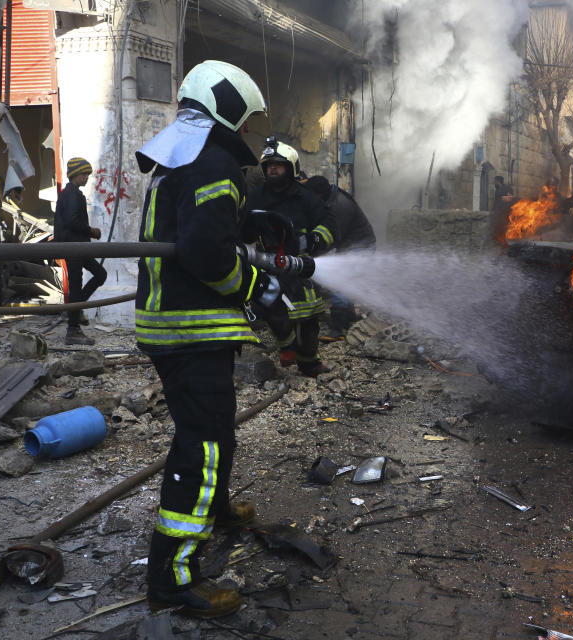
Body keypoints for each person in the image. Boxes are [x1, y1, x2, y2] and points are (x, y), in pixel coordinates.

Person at [133, 60, 293, 618]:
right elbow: (205, 254)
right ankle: (173, 577)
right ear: (227, 109)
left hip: (176, 326)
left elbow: (199, 236)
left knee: (214, 432)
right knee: (201, 446)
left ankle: (216, 509)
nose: (246, 135)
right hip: (192, 330)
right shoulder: (213, 161)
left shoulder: (182, 156)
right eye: (245, 122)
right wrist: (257, 286)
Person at [248, 139, 336, 375]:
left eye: (278, 165)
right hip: (268, 264)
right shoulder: (256, 197)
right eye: (269, 166)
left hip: (301, 266)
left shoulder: (306, 198)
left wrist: (315, 240)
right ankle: (286, 346)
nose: (273, 169)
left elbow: (328, 225)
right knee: (273, 310)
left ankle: (309, 362)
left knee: (309, 319)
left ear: (291, 168)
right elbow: (243, 226)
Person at [302, 175, 375, 340]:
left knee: (339, 281)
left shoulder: (339, 206)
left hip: (361, 247)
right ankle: (349, 317)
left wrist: (310, 257)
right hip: (349, 245)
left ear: (318, 194)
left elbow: (332, 238)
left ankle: (338, 328)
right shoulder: (329, 198)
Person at [54, 157, 106, 345]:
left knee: (100, 274)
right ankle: (73, 330)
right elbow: (71, 222)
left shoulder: (72, 193)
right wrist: (91, 231)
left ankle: (76, 310)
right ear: (75, 174)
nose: (87, 178)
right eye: (84, 174)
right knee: (77, 285)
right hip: (73, 247)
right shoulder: (72, 195)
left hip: (78, 247)